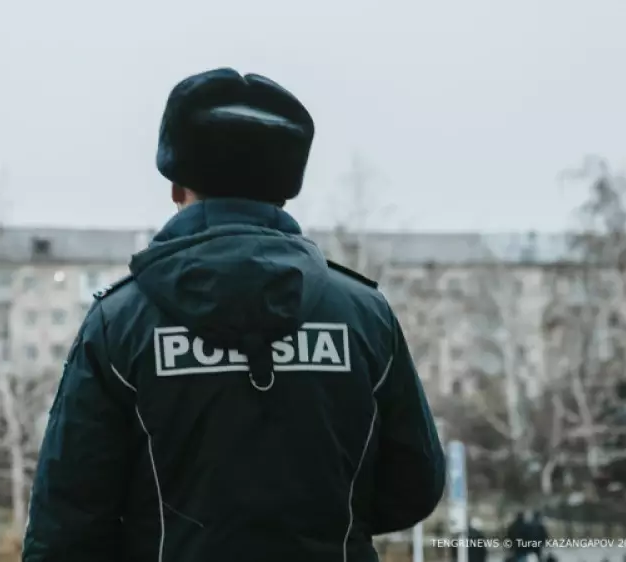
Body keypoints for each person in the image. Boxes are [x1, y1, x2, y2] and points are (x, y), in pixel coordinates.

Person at [22, 67, 446, 562]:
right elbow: (414, 484)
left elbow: (67, 522)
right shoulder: (364, 316)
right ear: (284, 192)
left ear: (177, 187)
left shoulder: (120, 323)